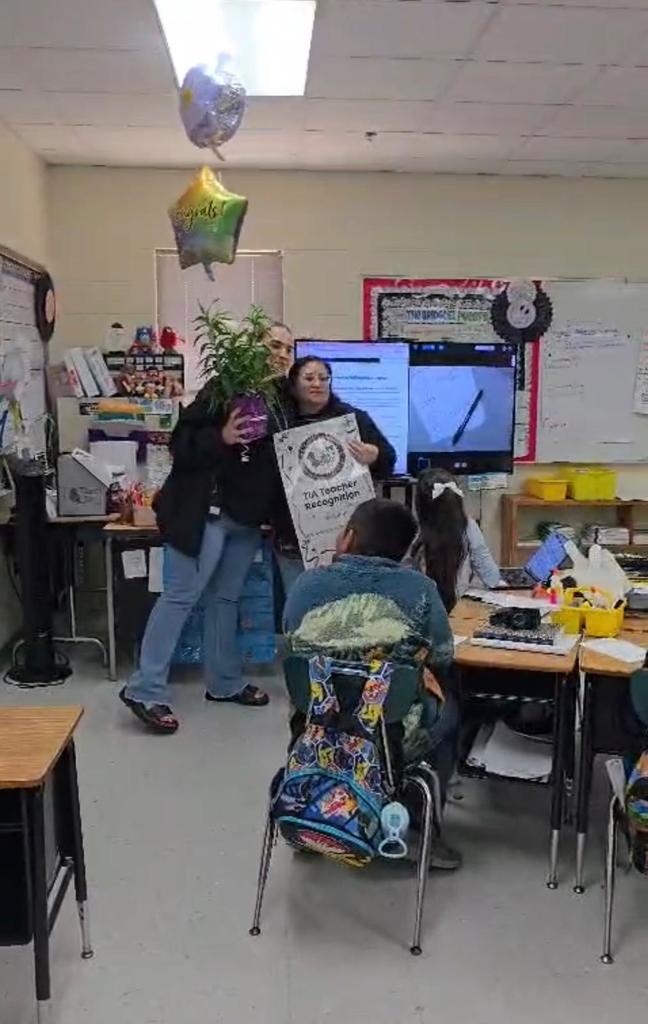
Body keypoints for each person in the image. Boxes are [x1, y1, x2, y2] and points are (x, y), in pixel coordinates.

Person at [284, 498, 461, 869]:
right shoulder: (420, 590)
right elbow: (444, 654)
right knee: (453, 712)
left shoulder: (305, 585)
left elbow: (292, 642)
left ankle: (313, 803)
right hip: (389, 733)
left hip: (316, 730)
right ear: (403, 552)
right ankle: (413, 829)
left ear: (347, 537)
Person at [119, 383, 290, 734]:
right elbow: (181, 447)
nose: (277, 354)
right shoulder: (219, 391)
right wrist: (221, 437)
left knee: (225, 599)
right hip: (201, 512)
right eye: (270, 345)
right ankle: (144, 689)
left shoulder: (282, 401)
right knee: (180, 596)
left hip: (245, 518)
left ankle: (224, 683)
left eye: (285, 349)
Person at [274, 356, 396, 596]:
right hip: (294, 540)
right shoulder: (279, 422)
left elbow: (388, 459)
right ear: (294, 384)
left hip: (347, 539)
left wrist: (375, 455)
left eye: (323, 378)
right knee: (301, 608)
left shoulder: (353, 419)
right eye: (309, 378)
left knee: (345, 609)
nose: (317, 384)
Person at [412, 467, 501, 613]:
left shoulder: (414, 534)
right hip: (459, 614)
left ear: (420, 505)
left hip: (422, 616)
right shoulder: (469, 527)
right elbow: (492, 578)